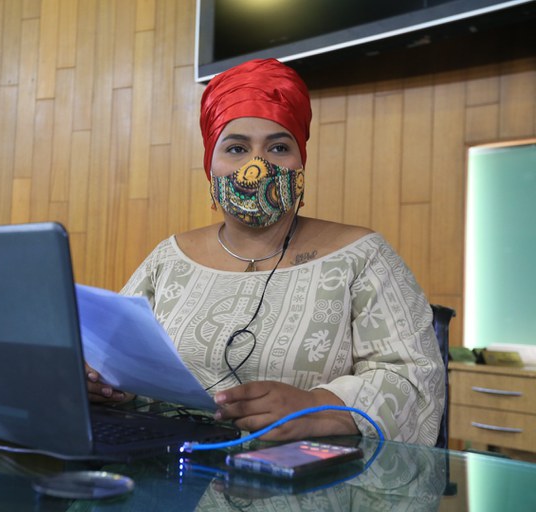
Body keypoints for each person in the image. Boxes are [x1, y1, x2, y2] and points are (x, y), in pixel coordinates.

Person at [86, 58, 445, 446]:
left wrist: (318, 407)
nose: (256, 166)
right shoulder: (168, 260)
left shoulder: (362, 257)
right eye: (236, 148)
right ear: (210, 168)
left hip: (315, 474)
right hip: (169, 465)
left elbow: (414, 379)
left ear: (301, 166)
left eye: (278, 147)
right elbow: (113, 357)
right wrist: (103, 385)